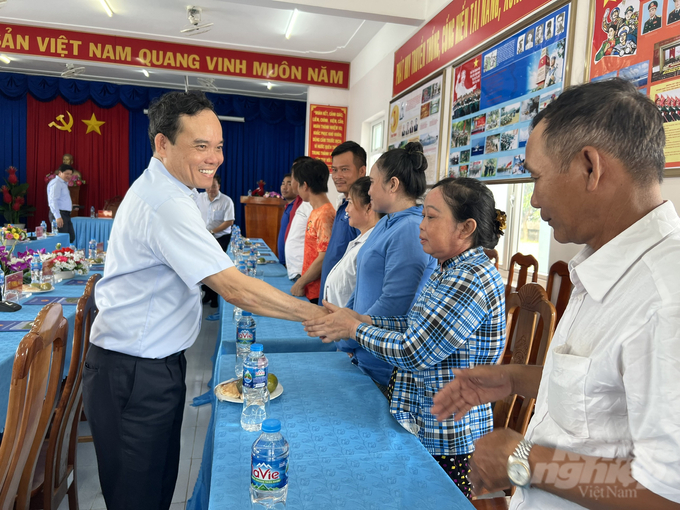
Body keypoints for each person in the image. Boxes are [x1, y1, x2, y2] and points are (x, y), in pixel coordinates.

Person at [431, 79, 680, 509]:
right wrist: (510, 378)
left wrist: (524, 460)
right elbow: (598, 389)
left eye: (536, 176)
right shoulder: (602, 264)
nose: (533, 200)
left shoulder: (664, 298)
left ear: (590, 167)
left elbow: (665, 493)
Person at [82, 91, 325, 510]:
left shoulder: (177, 190)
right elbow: (234, 288)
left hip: (154, 365)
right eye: (200, 146)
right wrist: (316, 316)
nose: (213, 158)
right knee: (136, 498)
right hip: (132, 372)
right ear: (162, 143)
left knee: (157, 490)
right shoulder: (166, 202)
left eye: (218, 147)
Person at [304, 177, 507, 498]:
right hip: (423, 420)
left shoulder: (469, 279)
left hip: (447, 435)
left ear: (465, 228)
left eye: (431, 217)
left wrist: (353, 329)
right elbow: (416, 325)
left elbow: (416, 350)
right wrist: (365, 319)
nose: (420, 226)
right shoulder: (449, 268)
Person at [336, 142, 437, 392]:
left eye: (371, 181)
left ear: (392, 184)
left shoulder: (410, 229)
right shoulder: (387, 223)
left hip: (383, 363)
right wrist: (346, 322)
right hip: (362, 347)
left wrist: (351, 333)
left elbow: (395, 304)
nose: (367, 189)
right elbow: (362, 285)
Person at [318, 141, 367, 303]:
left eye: (344, 169)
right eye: (334, 170)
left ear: (362, 171)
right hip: (329, 297)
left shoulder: (364, 210)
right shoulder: (342, 205)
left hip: (343, 305)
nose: (337, 176)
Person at [323, 177, 381, 308]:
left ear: (369, 207)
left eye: (350, 202)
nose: (347, 210)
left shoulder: (370, 248)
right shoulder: (359, 241)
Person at [290, 158, 336, 304]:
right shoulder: (315, 211)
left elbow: (324, 257)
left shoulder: (325, 214)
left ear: (305, 185)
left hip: (318, 292)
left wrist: (300, 283)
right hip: (310, 289)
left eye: (298, 184)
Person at [196, 174, 234, 311]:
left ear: (219, 186)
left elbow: (229, 221)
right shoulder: (198, 198)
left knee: (216, 269)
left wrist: (213, 232)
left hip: (220, 238)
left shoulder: (226, 200)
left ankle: (215, 297)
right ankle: (207, 293)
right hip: (202, 238)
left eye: (214, 186)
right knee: (203, 267)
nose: (211, 189)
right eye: (208, 186)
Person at [284, 157, 313, 281]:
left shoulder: (310, 205)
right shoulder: (299, 202)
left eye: (294, 177)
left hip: (301, 272)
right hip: (293, 268)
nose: (291, 181)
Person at [47, 163, 75, 243]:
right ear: (60, 173)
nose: (69, 176)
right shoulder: (56, 183)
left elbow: (61, 200)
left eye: (70, 174)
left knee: (70, 237)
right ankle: (59, 255)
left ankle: (66, 255)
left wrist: (71, 206)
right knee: (61, 240)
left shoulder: (63, 184)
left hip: (65, 214)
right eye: (67, 174)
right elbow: (53, 200)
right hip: (59, 214)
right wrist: (57, 217)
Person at [277, 173, 297, 265]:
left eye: (289, 184)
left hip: (291, 262)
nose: (284, 187)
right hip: (283, 260)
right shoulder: (288, 206)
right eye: (283, 183)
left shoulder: (297, 208)